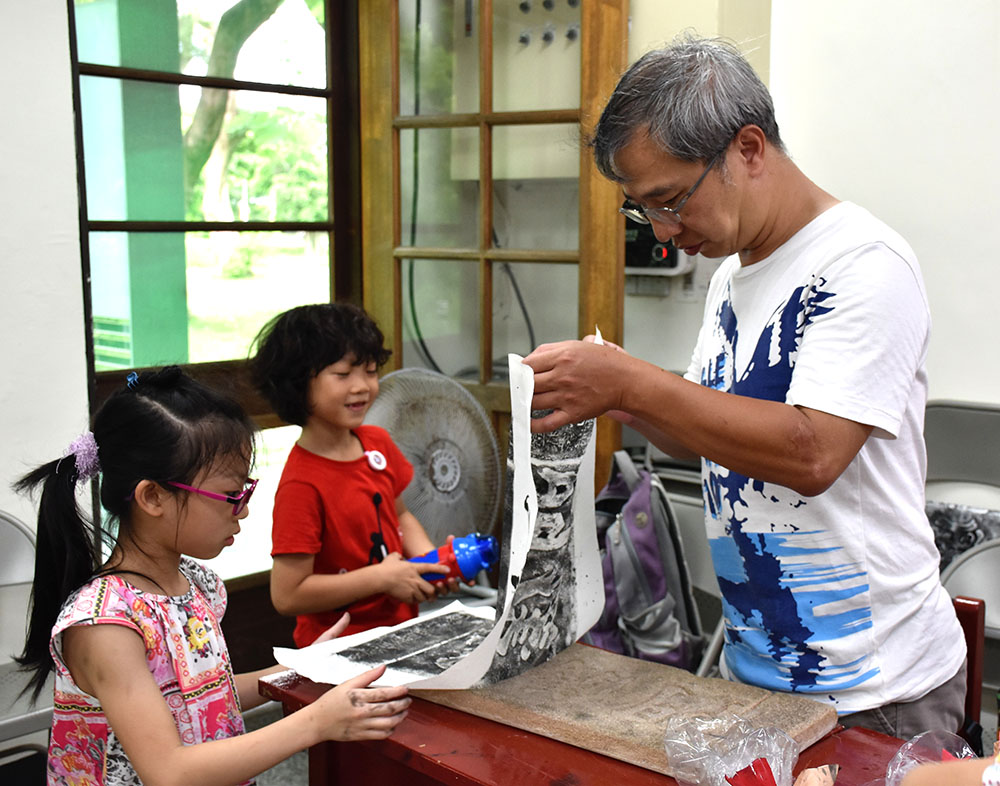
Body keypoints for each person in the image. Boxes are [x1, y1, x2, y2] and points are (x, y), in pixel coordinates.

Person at [523, 35, 965, 739]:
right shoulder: (734, 273)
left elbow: (813, 454)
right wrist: (618, 395)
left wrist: (632, 380)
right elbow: (709, 426)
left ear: (749, 149)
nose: (664, 233)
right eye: (644, 211)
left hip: (874, 689)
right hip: (756, 675)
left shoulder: (863, 262)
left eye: (670, 200)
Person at [14, 367, 411, 786]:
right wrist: (315, 723)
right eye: (230, 495)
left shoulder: (191, 585)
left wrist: (301, 670)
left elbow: (205, 700)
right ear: (153, 497)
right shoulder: (106, 626)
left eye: (246, 491)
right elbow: (170, 772)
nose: (243, 509)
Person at [249, 303, 453, 646]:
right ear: (298, 383)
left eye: (371, 371)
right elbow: (288, 595)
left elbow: (400, 513)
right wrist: (382, 578)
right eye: (343, 375)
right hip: (339, 649)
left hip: (400, 632)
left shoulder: (377, 443)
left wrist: (428, 563)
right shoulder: (302, 484)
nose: (362, 386)